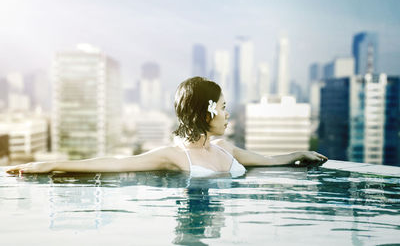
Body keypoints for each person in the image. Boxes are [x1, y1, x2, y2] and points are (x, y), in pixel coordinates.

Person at [6, 77, 327, 176]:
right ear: (206, 114)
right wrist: (49, 165)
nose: (229, 116)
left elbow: (269, 161)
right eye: (225, 109)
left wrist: (300, 153)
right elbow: (116, 164)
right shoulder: (176, 157)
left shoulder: (228, 150)